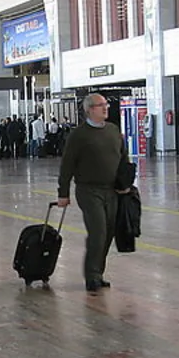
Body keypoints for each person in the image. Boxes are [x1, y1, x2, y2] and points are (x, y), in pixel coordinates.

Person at [56, 93, 132, 294]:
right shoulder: (79, 135)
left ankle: (98, 273)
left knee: (108, 233)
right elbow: (67, 165)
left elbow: (123, 158)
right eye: (100, 105)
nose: (105, 108)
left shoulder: (113, 130)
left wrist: (126, 183)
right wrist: (63, 193)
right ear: (89, 109)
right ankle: (91, 276)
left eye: (106, 104)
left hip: (112, 190)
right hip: (89, 190)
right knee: (98, 232)